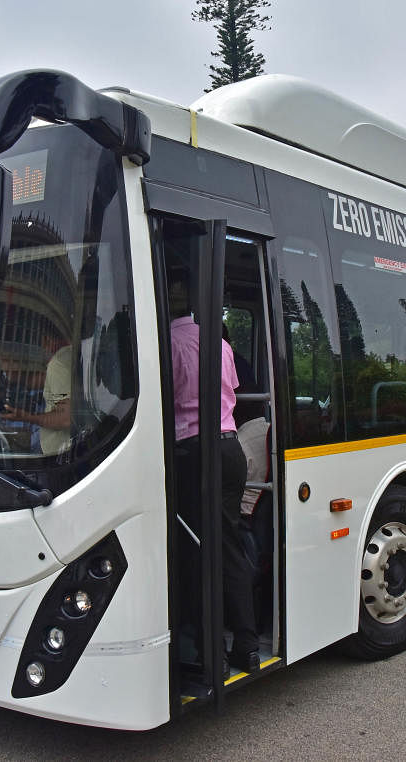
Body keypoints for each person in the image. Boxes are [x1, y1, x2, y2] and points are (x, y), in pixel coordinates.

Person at [169, 275, 260, 674]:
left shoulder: (167, 343)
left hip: (192, 453)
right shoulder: (220, 343)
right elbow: (232, 393)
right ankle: (247, 645)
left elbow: (163, 400)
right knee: (230, 547)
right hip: (229, 448)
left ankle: (209, 654)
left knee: (196, 550)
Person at [0, 335, 72, 456]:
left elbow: (65, 419)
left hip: (62, 456)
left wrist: (28, 417)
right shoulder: (68, 358)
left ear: (47, 339)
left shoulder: (58, 363)